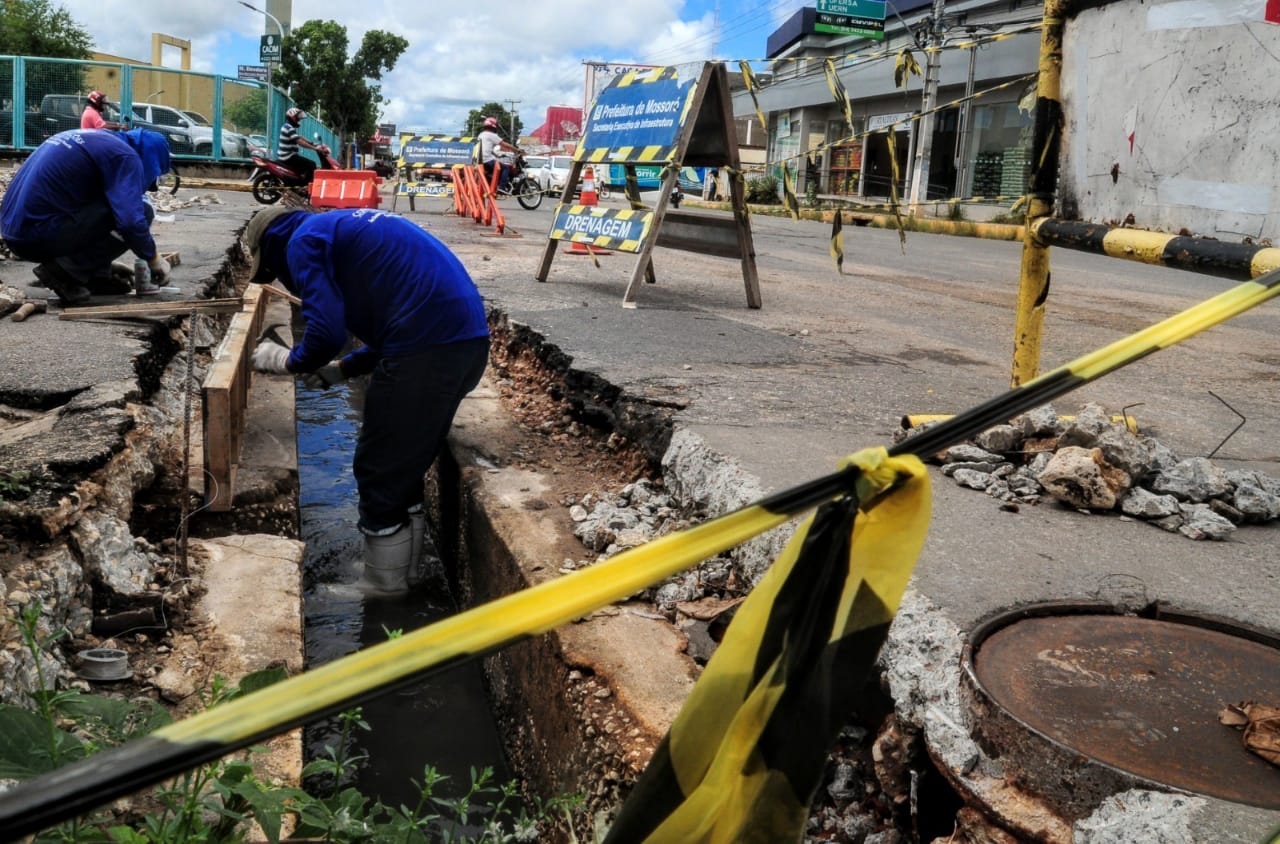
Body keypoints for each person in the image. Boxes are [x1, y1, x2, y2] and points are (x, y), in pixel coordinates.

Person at [244, 206, 490, 593]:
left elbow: (326, 333)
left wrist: (286, 360)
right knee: (402, 467)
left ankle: (383, 587)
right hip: (464, 347)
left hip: (427, 354)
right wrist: (343, 370)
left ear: (271, 246)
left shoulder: (302, 241)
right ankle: (406, 573)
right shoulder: (340, 227)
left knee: (377, 469)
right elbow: (400, 321)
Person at [0, 128, 173, 306]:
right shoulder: (125, 156)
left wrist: (103, 264)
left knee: (113, 201)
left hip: (15, 232)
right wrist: (153, 259)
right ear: (152, 161)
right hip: (36, 234)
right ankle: (65, 272)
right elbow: (130, 222)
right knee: (142, 210)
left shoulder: (96, 140)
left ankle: (95, 276)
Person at [278, 106, 324, 184]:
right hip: (288, 157)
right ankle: (306, 187)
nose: (299, 120)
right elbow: (300, 142)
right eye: (298, 118)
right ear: (293, 118)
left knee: (304, 167)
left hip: (288, 156)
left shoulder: (289, 127)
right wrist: (314, 148)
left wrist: (312, 143)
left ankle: (299, 183)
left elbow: (299, 137)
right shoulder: (289, 128)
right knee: (312, 164)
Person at [477, 116, 518, 193]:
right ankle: (501, 187)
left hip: (479, 160)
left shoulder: (481, 134)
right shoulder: (492, 135)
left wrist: (496, 155)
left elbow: (486, 148)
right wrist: (516, 150)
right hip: (487, 160)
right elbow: (504, 144)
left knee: (497, 166)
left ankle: (493, 183)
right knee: (506, 168)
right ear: (494, 126)